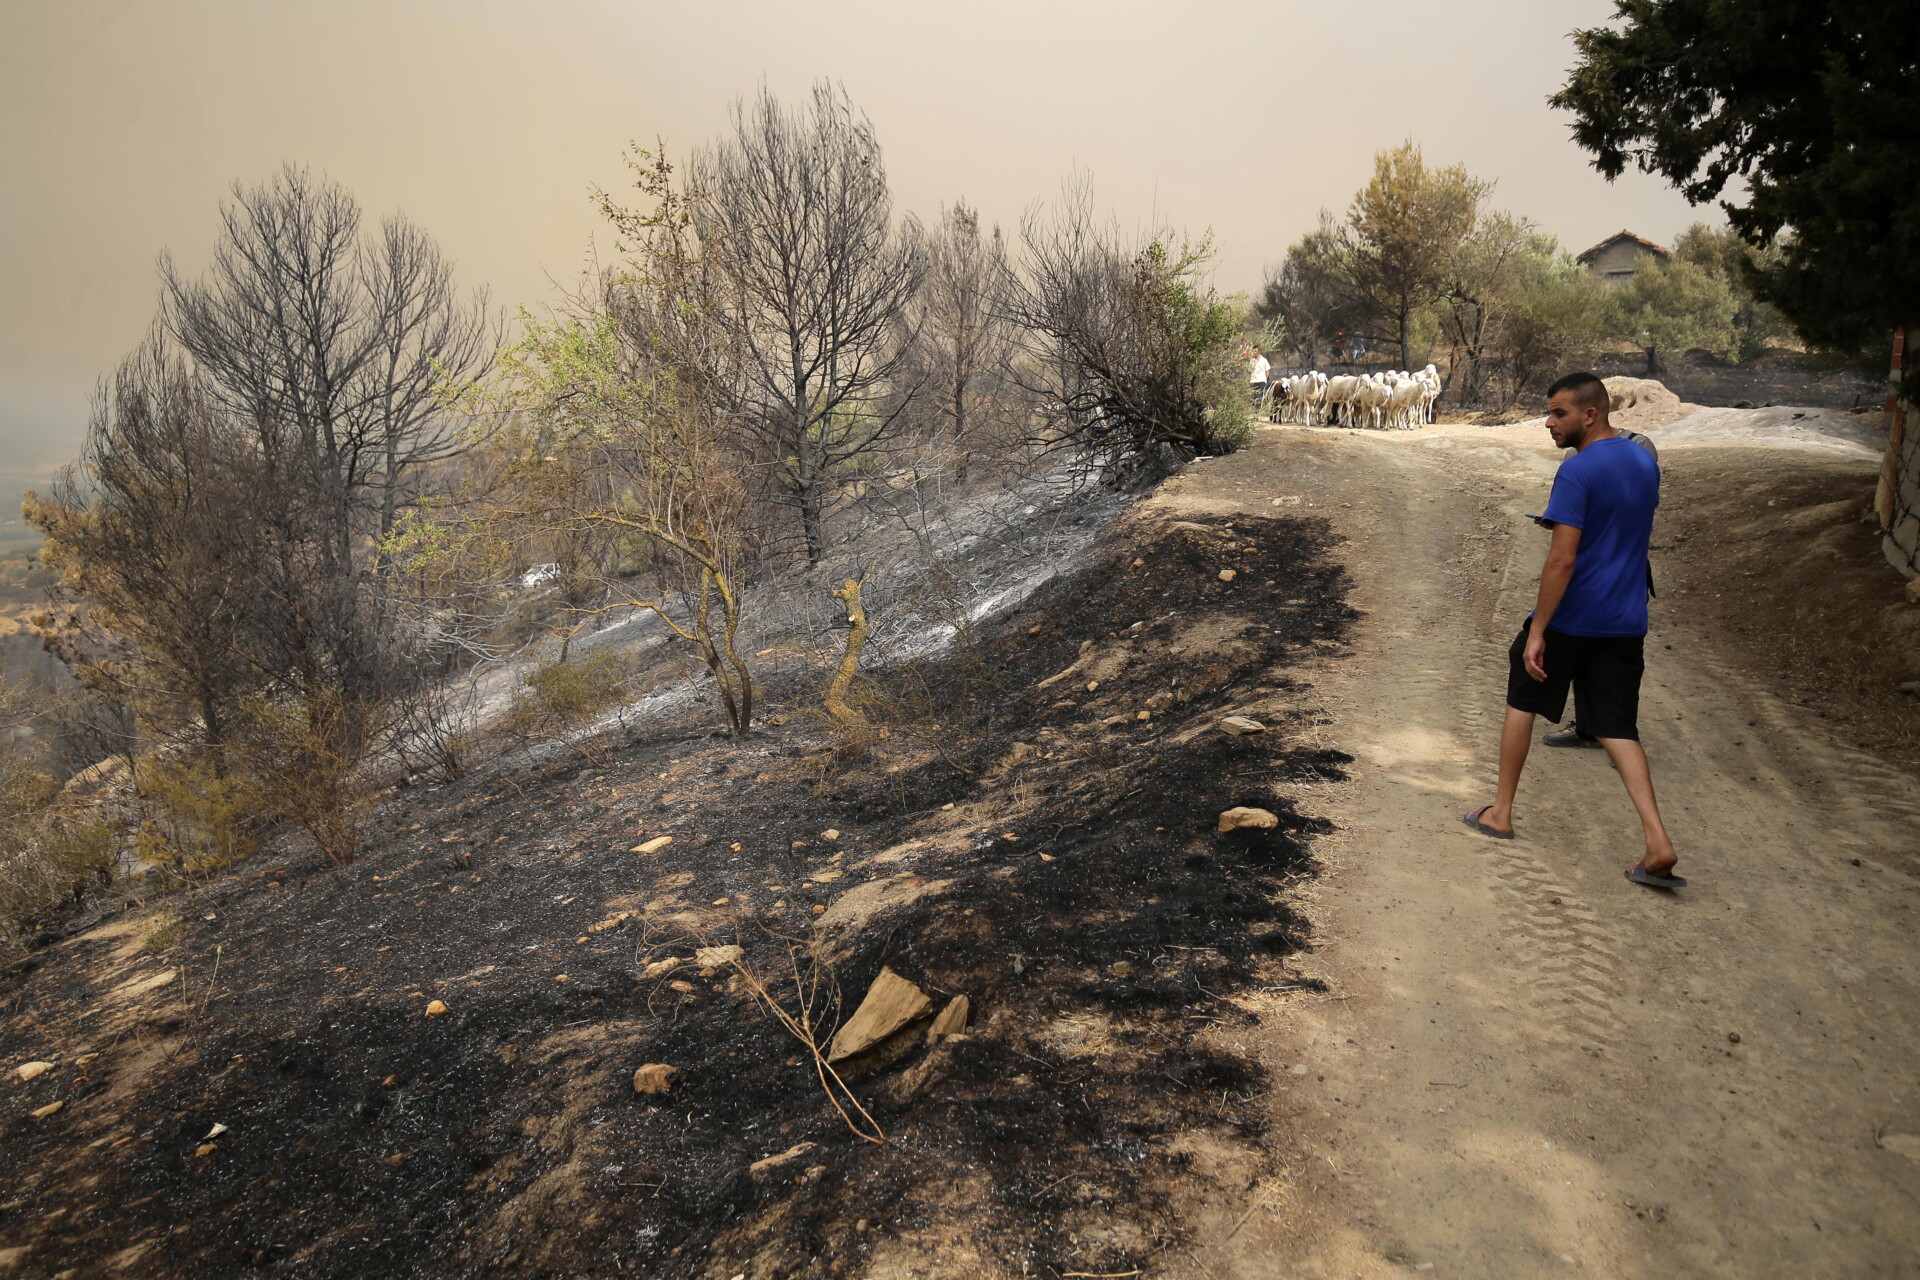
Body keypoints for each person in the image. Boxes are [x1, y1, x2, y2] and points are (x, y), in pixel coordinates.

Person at [1461, 371, 1685, 889]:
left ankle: (1500, 812)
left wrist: (1539, 630)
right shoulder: (1645, 463)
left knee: (1522, 700)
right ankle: (1657, 842)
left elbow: (1562, 562)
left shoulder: (1579, 471)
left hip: (1574, 616)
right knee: (1617, 728)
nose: (1548, 421)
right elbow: (1621, 527)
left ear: (1590, 414)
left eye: (1558, 412)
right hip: (1625, 621)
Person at [1544, 424, 1660, 749]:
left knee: (1618, 657)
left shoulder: (1640, 448)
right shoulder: (1575, 453)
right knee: (1586, 651)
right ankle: (1590, 727)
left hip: (1621, 569)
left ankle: (1619, 735)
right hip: (1591, 570)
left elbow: (1642, 505)